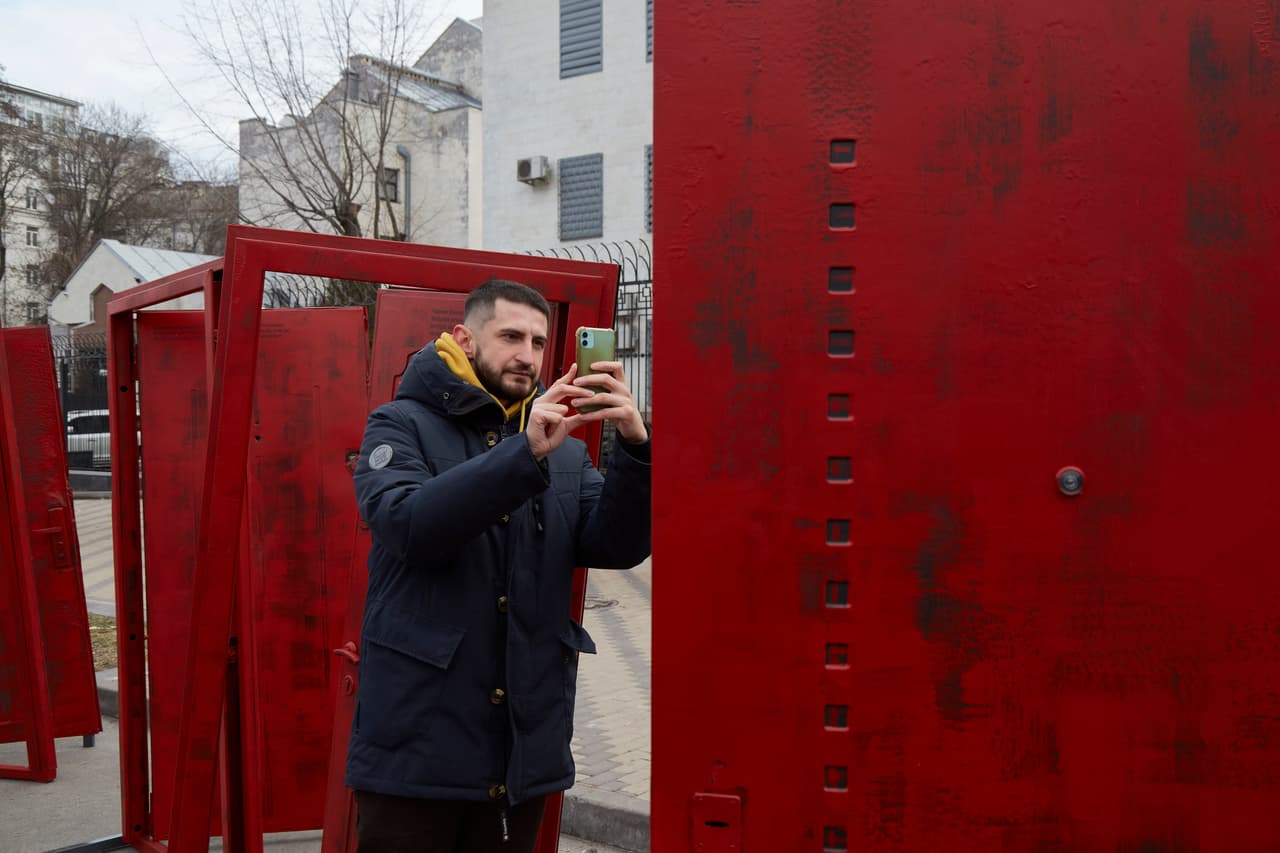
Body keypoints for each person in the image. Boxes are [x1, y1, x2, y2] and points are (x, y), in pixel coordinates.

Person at [346, 279, 652, 852]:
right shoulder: (398, 424)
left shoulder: (561, 446)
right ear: (464, 338)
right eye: (511, 336)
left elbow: (615, 545)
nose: (527, 355)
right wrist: (524, 452)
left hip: (520, 755)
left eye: (538, 342)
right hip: (418, 753)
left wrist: (635, 447)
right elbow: (407, 524)